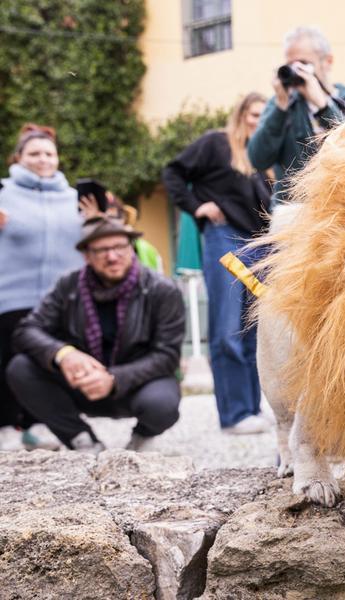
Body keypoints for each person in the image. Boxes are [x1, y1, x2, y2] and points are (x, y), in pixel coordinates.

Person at [6, 216, 185, 453]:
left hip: (135, 384)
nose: (112, 256)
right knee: (21, 368)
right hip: (80, 382)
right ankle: (83, 441)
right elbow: (26, 330)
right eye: (101, 250)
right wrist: (64, 354)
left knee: (161, 404)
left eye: (120, 247)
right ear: (86, 255)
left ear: (131, 248)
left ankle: (141, 440)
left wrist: (113, 379)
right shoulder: (67, 286)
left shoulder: (162, 290)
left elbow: (167, 355)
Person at [163, 92, 273, 434]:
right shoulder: (215, 143)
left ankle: (251, 409)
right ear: (241, 114)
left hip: (258, 246)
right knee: (227, 328)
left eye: (263, 115)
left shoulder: (261, 159)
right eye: (254, 114)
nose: (258, 120)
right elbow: (173, 173)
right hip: (224, 239)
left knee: (256, 329)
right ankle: (234, 414)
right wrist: (198, 207)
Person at [0, 123, 84, 450]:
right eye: (34, 153)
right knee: (7, 362)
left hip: (61, 300)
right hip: (10, 295)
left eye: (49, 153)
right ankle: (6, 425)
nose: (42, 159)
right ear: (18, 157)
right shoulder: (3, 194)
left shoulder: (76, 199)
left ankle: (41, 425)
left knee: (45, 363)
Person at [248, 26, 345, 204]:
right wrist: (280, 108)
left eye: (303, 64)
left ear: (327, 61)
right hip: (293, 211)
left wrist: (323, 106)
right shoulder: (280, 105)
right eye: (291, 66)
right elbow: (258, 159)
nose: (297, 71)